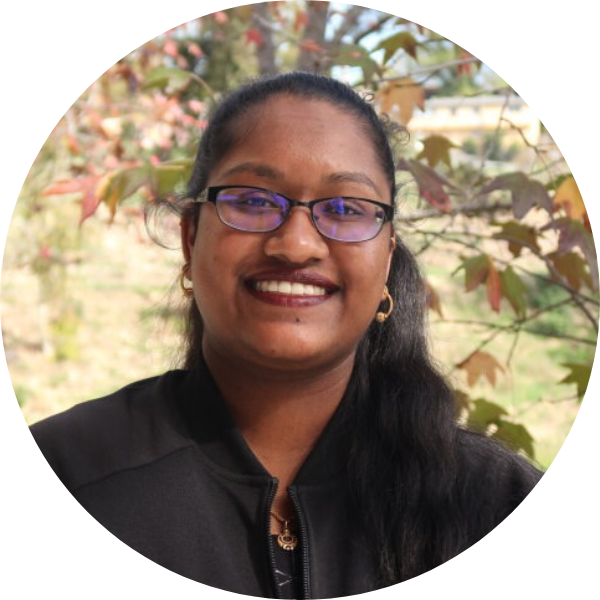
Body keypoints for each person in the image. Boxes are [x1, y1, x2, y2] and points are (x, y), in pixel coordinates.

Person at [31, 72, 542, 599]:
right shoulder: (59, 480)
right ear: (190, 238)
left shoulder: (502, 506)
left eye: (345, 208)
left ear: (387, 257)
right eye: (252, 200)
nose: (296, 246)